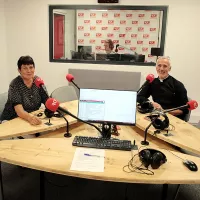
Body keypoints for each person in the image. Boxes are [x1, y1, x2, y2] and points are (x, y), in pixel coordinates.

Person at [0, 56, 49, 125]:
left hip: (32, 116)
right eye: (25, 68)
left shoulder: (38, 81)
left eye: (31, 67)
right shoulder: (15, 84)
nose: (29, 71)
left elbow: (47, 100)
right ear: (19, 70)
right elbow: (19, 111)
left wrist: (58, 108)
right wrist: (30, 118)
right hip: (12, 118)